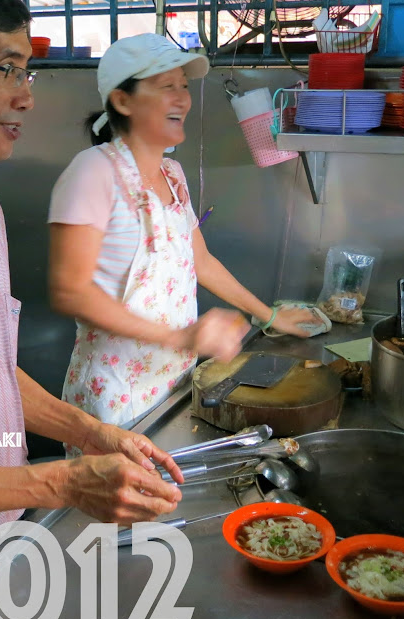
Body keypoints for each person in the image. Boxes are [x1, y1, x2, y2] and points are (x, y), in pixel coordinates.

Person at [0, 0, 186, 619]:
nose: (27, 99)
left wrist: (91, 434)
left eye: (30, 74)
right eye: (7, 68)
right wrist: (60, 483)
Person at [48, 33, 322, 438]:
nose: (182, 98)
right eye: (166, 87)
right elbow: (70, 291)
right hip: (115, 396)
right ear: (123, 101)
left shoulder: (172, 175)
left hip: (176, 381)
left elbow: (201, 261)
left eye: (184, 86)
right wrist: (183, 335)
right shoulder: (92, 173)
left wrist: (270, 316)